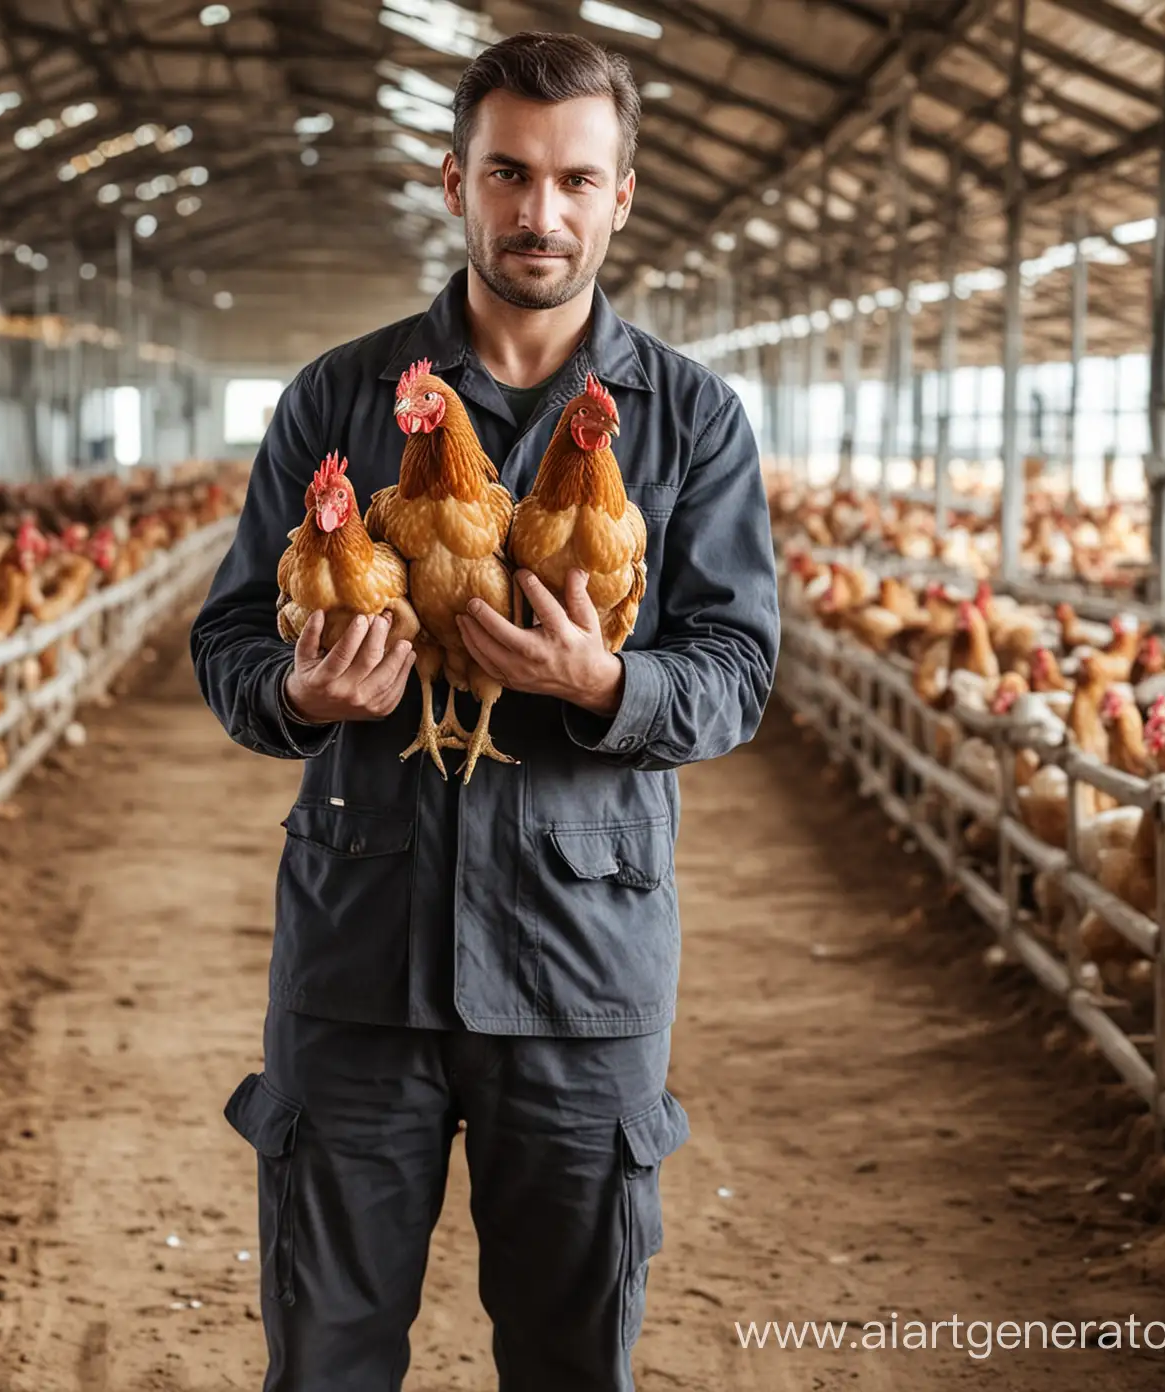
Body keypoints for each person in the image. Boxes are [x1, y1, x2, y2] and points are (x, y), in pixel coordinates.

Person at [189, 29, 780, 1392]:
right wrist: (292, 690)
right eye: (509, 174)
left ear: (621, 195)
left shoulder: (690, 419)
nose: (541, 211)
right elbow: (228, 636)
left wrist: (609, 685)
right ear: (454, 180)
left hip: (580, 967)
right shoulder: (339, 396)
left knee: (571, 1362)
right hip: (359, 962)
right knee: (327, 1358)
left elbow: (740, 670)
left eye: (577, 179)